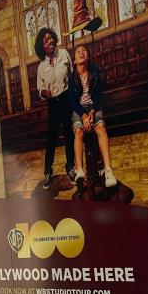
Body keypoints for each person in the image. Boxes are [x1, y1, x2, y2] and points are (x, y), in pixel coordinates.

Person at [69, 43, 117, 188]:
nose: (81, 52)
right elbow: (73, 102)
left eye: (84, 51)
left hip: (94, 106)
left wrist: (93, 110)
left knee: (100, 128)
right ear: (74, 59)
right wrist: (83, 116)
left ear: (88, 56)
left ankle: (108, 170)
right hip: (79, 109)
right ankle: (79, 170)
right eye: (78, 51)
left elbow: (99, 95)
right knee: (78, 132)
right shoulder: (72, 78)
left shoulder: (95, 72)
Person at [35, 27, 75, 190]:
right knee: (51, 139)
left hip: (66, 99)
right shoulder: (41, 66)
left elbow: (72, 74)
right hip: (53, 103)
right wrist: (44, 92)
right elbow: (39, 88)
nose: (49, 41)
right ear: (42, 46)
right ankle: (48, 172)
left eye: (51, 38)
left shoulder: (64, 54)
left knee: (68, 135)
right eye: (45, 40)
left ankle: (71, 168)